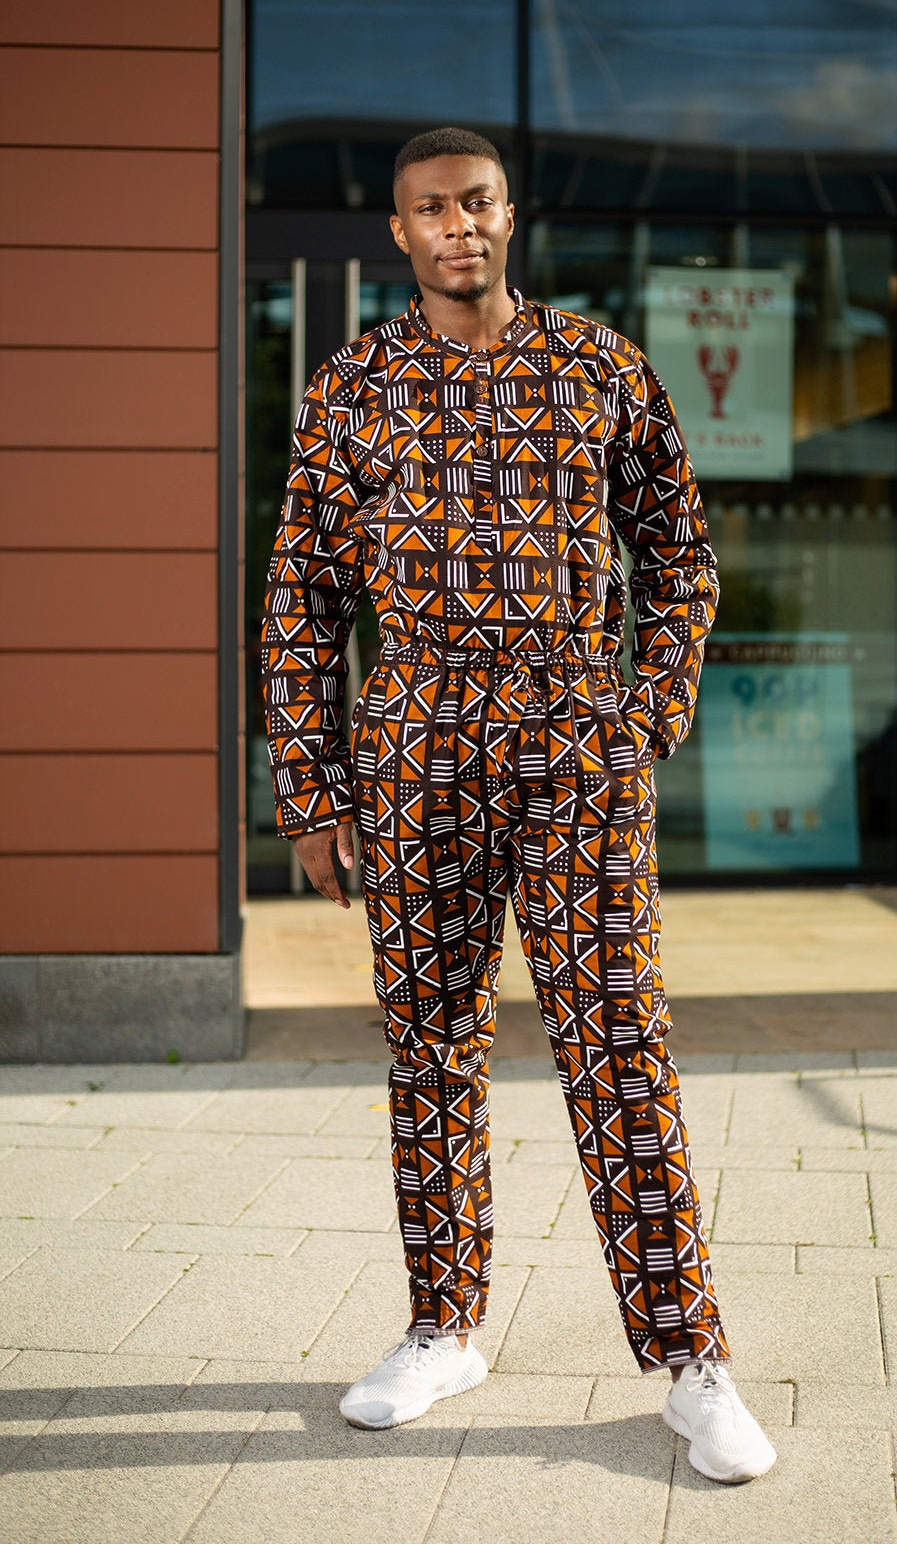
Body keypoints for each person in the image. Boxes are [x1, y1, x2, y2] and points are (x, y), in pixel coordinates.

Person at [260, 126, 777, 1484]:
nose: (459, 227)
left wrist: (647, 713)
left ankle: (689, 1359)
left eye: (477, 202)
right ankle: (445, 1326)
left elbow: (680, 553)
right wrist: (312, 785)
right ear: (400, 232)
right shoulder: (353, 384)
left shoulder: (601, 366)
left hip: (575, 747)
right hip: (414, 751)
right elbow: (303, 598)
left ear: (509, 213)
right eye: (431, 210)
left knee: (618, 1046)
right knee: (429, 1052)